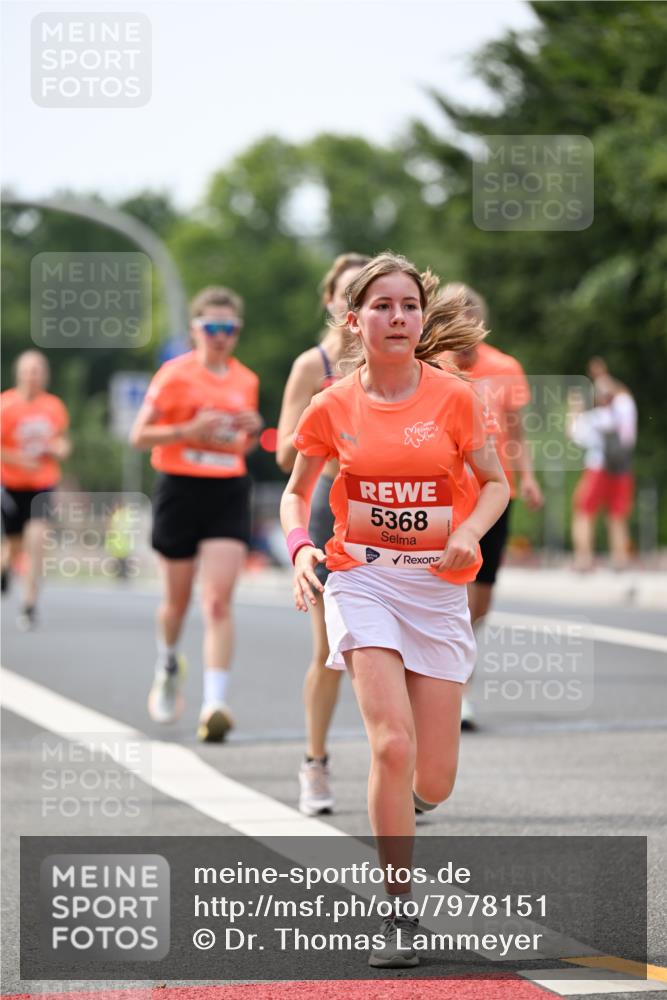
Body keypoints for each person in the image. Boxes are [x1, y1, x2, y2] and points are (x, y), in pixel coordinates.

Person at [280, 252, 508, 967]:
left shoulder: (454, 398)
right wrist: (298, 549)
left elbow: (493, 483)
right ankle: (398, 911)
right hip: (362, 579)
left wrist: (467, 530)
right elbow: (295, 492)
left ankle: (415, 804)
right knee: (391, 744)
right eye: (380, 306)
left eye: (407, 304)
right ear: (355, 321)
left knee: (432, 777)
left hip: (438, 588)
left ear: (420, 316)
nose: (397, 317)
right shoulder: (331, 405)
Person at [130, 286, 262, 742]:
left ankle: (214, 703)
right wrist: (188, 430)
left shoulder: (246, 380)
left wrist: (251, 429)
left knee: (218, 601)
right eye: (212, 328)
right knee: (177, 603)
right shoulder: (173, 375)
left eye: (230, 329)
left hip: (227, 488)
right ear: (195, 330)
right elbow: (139, 436)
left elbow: (242, 441)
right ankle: (168, 662)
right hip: (179, 489)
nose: (221, 336)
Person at [276, 252, 370, 816]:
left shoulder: (402, 360)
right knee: (331, 648)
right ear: (330, 301)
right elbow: (287, 449)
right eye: (345, 292)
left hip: (390, 512)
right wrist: (329, 416)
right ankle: (315, 763)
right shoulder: (314, 366)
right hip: (329, 514)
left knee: (399, 648)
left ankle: (399, 764)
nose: (352, 302)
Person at [441, 284, 543, 729]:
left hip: (496, 495)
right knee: (455, 596)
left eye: (470, 332)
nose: (463, 343)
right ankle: (454, 693)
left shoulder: (505, 368)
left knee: (479, 601)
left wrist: (531, 478)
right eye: (453, 329)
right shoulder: (432, 367)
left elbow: (516, 433)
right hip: (447, 496)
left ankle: (451, 671)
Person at [1, 350, 71, 630]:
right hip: (12, 485)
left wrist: (58, 449)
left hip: (42, 485)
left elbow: (64, 443)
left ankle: (29, 605)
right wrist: (19, 459)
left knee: (37, 541)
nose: (33, 376)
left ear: (45, 375)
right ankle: (5, 568)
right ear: (19, 373)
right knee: (15, 547)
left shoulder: (53, 406)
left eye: (38, 371)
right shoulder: (5, 405)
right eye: (28, 371)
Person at [568, 373, 636, 570]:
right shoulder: (626, 407)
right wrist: (605, 376)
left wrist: (574, 408)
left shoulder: (593, 418)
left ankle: (584, 559)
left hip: (597, 467)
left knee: (583, 511)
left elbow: (573, 434)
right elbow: (623, 392)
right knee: (617, 515)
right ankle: (620, 559)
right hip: (622, 468)